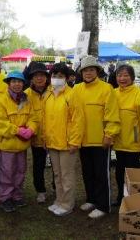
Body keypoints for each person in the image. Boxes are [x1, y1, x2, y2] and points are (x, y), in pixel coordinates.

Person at [72, 55, 120, 219]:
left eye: (91, 70)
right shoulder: (76, 89)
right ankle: (91, 199)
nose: (88, 73)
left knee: (101, 174)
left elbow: (112, 114)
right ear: (81, 72)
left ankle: (103, 205)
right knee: (87, 172)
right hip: (83, 140)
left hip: (101, 140)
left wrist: (109, 135)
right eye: (85, 70)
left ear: (97, 71)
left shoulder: (106, 89)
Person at [0, 71, 38, 213]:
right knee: (7, 172)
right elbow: (0, 123)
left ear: (23, 84)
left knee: (20, 171)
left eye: (19, 82)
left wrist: (31, 129)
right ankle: (5, 198)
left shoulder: (26, 100)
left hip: (22, 146)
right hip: (7, 145)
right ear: (8, 83)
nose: (17, 84)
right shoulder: (1, 100)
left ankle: (17, 196)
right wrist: (18, 131)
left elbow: (33, 118)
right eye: (13, 81)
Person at [44, 63, 84, 216]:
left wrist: (74, 141)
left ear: (67, 78)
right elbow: (45, 118)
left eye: (60, 76)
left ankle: (67, 204)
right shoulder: (48, 94)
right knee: (57, 174)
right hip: (53, 142)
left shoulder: (71, 95)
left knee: (66, 175)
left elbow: (78, 120)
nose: (56, 79)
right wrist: (45, 139)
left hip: (67, 143)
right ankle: (59, 200)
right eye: (54, 76)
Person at [112, 64, 140, 206]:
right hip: (118, 142)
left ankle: (131, 199)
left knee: (132, 173)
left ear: (132, 77)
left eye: (125, 75)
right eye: (119, 75)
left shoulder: (139, 94)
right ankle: (120, 197)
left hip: (133, 143)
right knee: (119, 172)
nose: (122, 78)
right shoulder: (113, 93)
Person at [25, 62, 50, 204]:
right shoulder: (26, 94)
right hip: (36, 138)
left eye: (42, 75)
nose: (39, 78)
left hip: (53, 136)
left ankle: (56, 188)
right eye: (36, 76)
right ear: (31, 78)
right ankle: (40, 191)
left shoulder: (53, 91)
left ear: (46, 77)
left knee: (56, 168)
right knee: (38, 165)